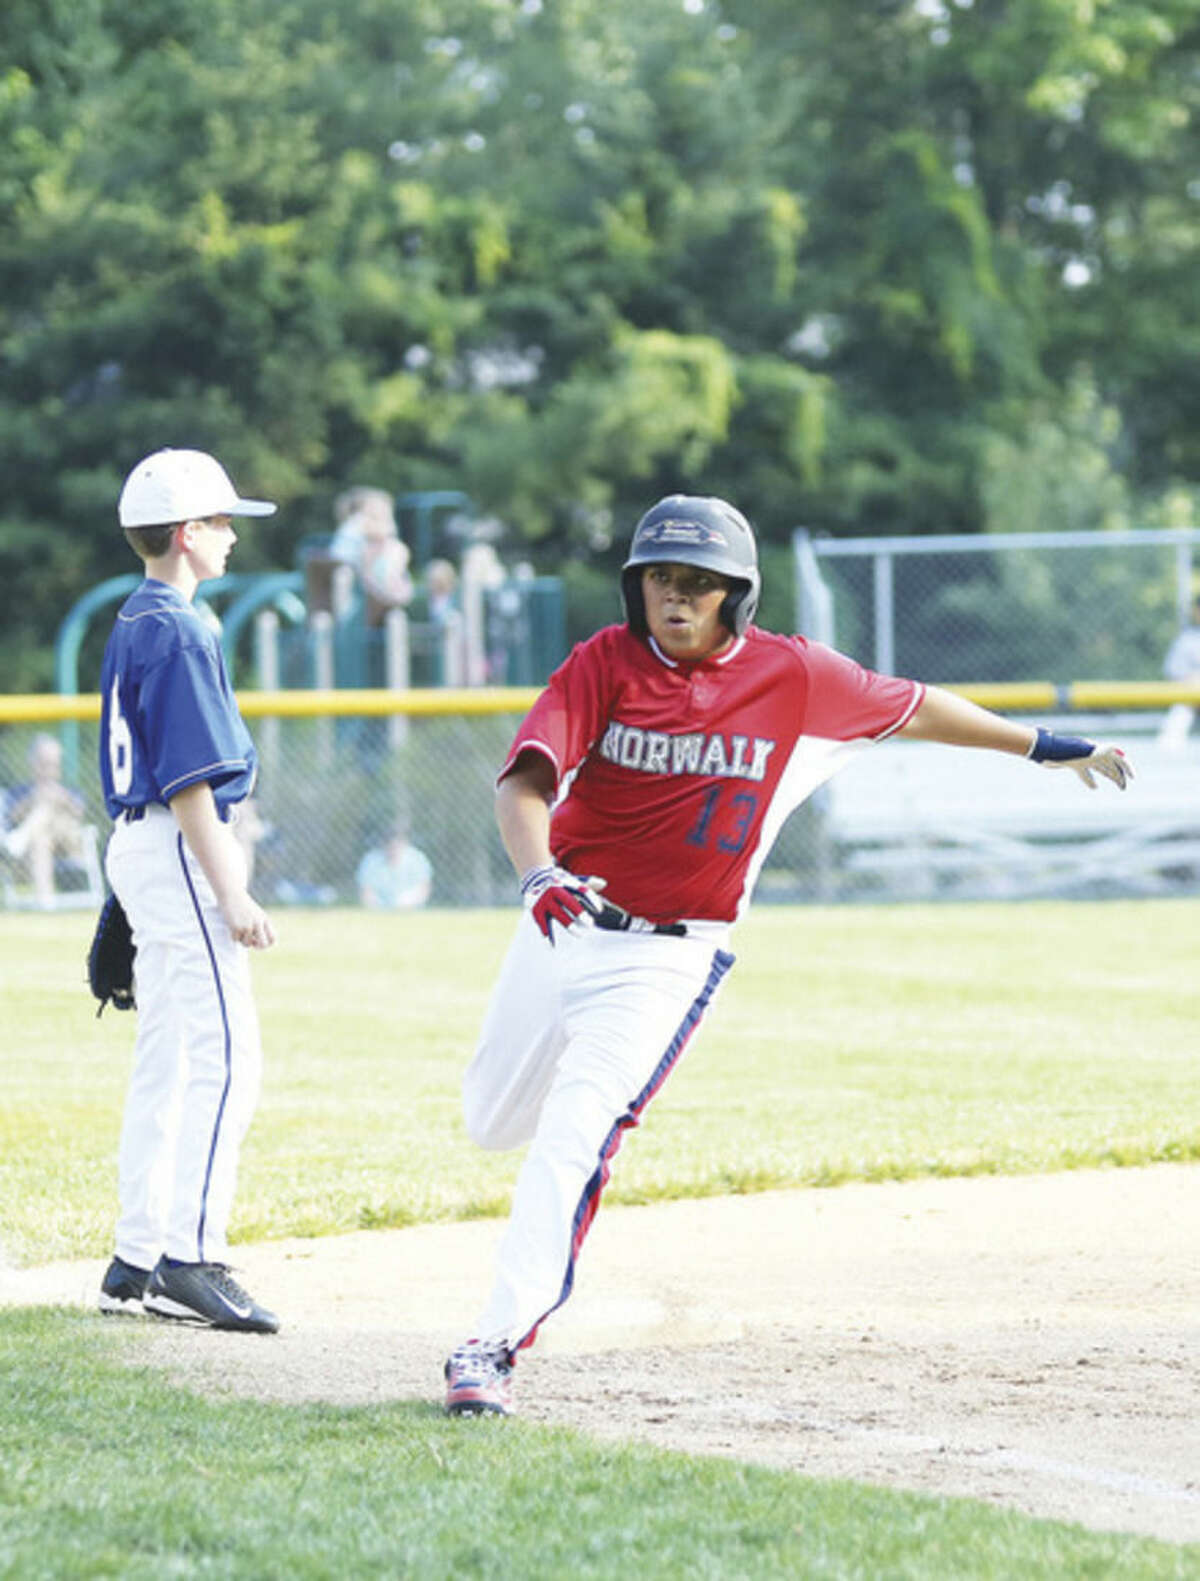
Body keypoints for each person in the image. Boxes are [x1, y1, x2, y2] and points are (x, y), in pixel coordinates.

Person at [441, 493, 1134, 1416]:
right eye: (660, 580)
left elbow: (923, 708)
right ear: (634, 586)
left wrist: (1041, 744)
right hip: (566, 918)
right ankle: (513, 1277)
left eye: (699, 584)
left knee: (576, 1132)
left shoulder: (795, 677)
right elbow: (526, 783)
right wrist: (535, 879)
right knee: (492, 1119)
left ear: (739, 595)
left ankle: (491, 1345)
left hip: (667, 959)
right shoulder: (603, 663)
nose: (675, 599)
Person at [96, 447, 282, 1333]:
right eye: (218, 521)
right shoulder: (179, 627)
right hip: (178, 846)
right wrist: (233, 891)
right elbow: (188, 785)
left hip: (143, 849)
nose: (232, 535)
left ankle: (138, 1250)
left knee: (168, 1054)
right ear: (184, 534)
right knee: (228, 1053)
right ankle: (188, 1252)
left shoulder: (134, 619)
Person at [2, 733, 88, 908]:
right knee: (41, 838)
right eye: (43, 762)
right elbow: (11, 817)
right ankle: (46, 902)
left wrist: (59, 797)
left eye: (53, 763)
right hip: (32, 850)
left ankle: (20, 837)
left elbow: (80, 814)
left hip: (68, 843)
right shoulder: (20, 791)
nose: (48, 769)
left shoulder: (69, 789)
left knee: (47, 806)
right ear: (32, 762)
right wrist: (33, 797)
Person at [329, 485, 413, 619]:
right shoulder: (354, 532)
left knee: (396, 551)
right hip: (363, 586)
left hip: (376, 586)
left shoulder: (389, 546)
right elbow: (342, 555)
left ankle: (389, 587)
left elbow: (388, 531)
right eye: (374, 514)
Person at [356, 820, 433, 909]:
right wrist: (376, 906)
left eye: (396, 845)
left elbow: (424, 888)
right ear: (382, 844)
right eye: (389, 845)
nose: (393, 849)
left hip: (410, 908)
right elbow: (365, 891)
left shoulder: (417, 859)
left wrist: (407, 902)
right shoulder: (370, 861)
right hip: (380, 907)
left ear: (404, 843)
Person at [1158, 593, 1200, 751]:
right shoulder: (1187, 640)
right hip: (1191, 697)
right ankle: (1169, 757)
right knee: (1181, 710)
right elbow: (1173, 676)